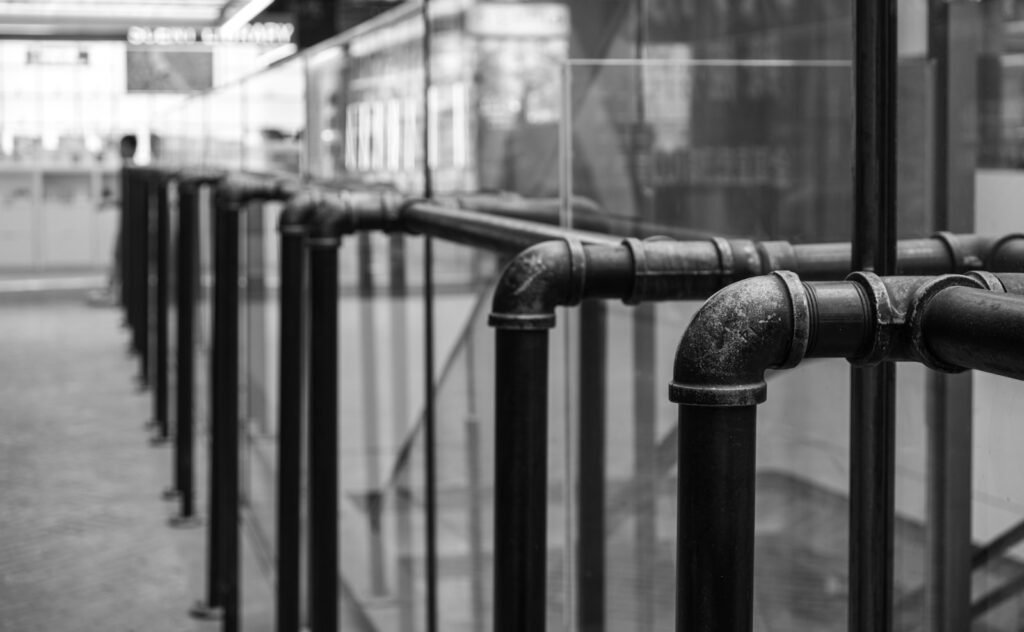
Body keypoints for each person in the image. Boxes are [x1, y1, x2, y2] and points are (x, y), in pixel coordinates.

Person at [87, 134, 136, 306]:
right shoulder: (127, 169)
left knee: (120, 255)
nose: (120, 150)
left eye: (123, 146)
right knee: (118, 255)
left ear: (131, 148)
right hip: (126, 219)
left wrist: (107, 203)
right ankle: (113, 289)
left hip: (129, 221)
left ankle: (115, 292)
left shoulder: (129, 170)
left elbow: (127, 199)